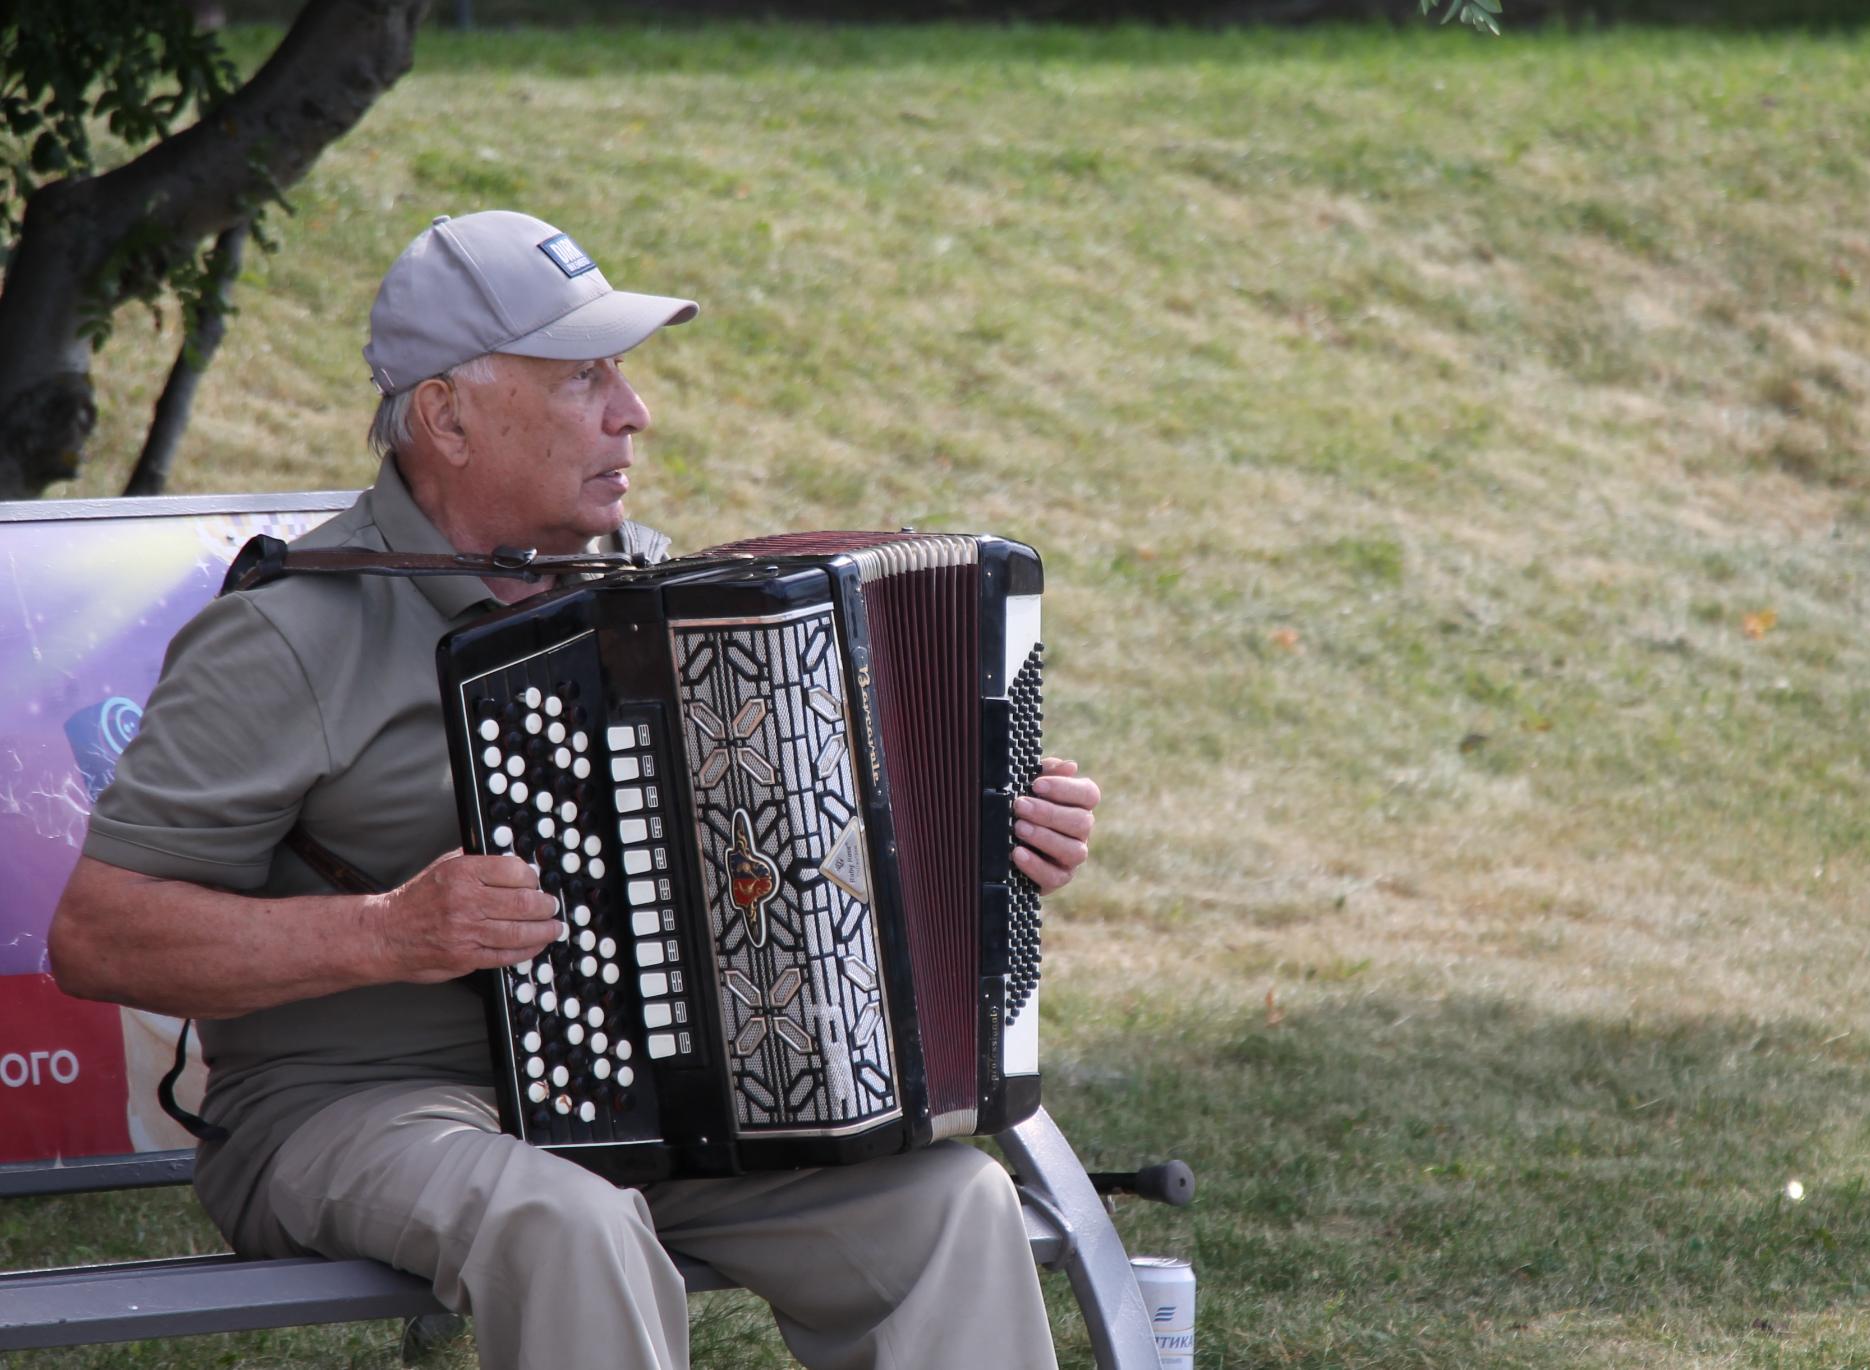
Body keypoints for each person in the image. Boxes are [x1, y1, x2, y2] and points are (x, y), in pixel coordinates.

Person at [47, 209, 1101, 1370]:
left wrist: (980, 832)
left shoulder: (660, 597)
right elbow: (102, 936)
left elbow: (784, 851)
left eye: (624, 375)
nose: (631, 411)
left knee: (947, 1203)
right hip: (351, 1102)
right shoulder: (288, 636)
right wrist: (388, 931)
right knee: (566, 1222)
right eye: (582, 379)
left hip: (661, 1105)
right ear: (446, 415)